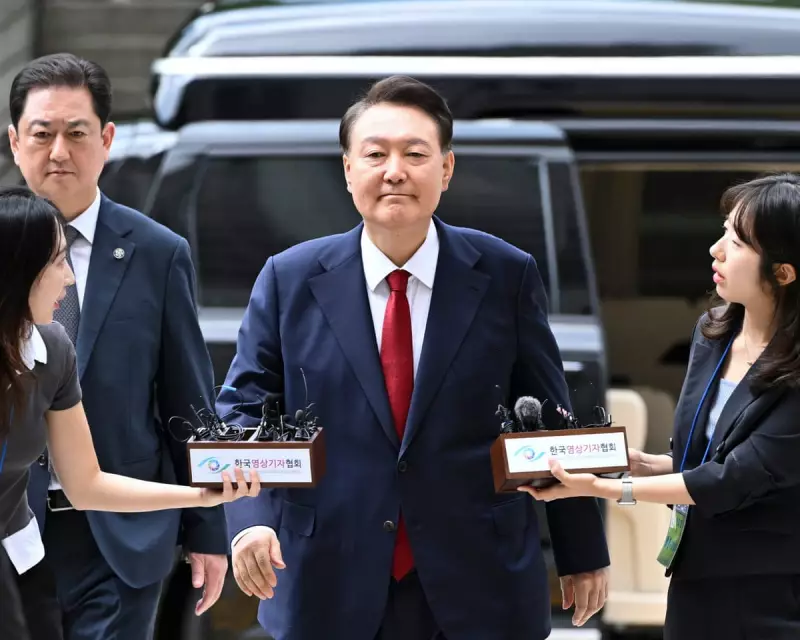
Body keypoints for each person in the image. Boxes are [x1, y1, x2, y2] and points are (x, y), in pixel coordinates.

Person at [217, 75, 610, 640]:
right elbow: (243, 412)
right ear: (348, 169)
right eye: (375, 154)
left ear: (446, 169)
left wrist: (581, 549)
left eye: (415, 154)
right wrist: (249, 523)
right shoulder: (289, 278)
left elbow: (550, 417)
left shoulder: (505, 274)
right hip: (328, 577)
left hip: (477, 578)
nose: (394, 171)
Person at [520, 173, 800, 640]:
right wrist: (640, 463)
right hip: (696, 577)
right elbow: (702, 458)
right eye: (723, 232)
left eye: (736, 243)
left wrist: (607, 488)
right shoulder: (713, 333)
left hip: (772, 592)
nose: (716, 250)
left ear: (783, 272)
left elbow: (734, 479)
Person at [6, 53, 229, 640]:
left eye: (77, 134)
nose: (59, 152)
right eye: (42, 134)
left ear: (106, 139)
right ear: (14, 142)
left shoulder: (158, 253)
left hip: (118, 535)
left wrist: (208, 529)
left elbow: (188, 400)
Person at [0, 186, 261, 640]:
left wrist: (199, 497)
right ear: (21, 269)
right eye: (58, 262)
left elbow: (87, 483)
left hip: (24, 564)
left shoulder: (54, 351)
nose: (69, 279)